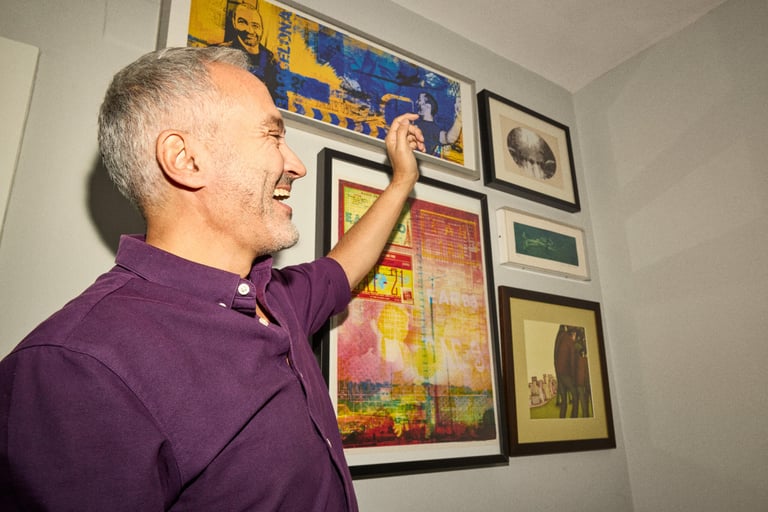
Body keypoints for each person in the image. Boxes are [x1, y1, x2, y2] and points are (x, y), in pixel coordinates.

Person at [0, 46, 424, 511]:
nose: (297, 165)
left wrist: (402, 180)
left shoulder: (278, 299)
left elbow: (344, 266)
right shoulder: (72, 369)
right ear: (185, 159)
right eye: (272, 135)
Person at [220, 1, 279, 93]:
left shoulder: (271, 60)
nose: (250, 30)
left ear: (262, 29)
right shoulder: (222, 53)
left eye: (255, 26)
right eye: (242, 22)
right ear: (234, 23)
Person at [414, 91, 462, 156]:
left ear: (428, 106)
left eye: (419, 100)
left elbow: (449, 138)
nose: (416, 102)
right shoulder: (415, 121)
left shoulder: (433, 129)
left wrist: (459, 120)